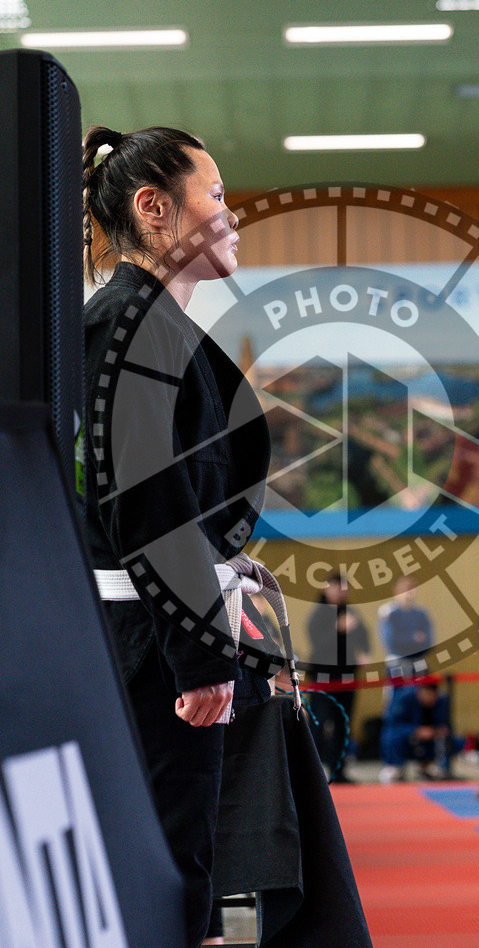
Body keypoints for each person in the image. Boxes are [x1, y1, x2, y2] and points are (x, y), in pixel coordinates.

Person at [82, 126, 282, 948]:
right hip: (151, 644)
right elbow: (148, 500)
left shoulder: (152, 324)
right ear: (155, 209)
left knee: (187, 855)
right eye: (218, 195)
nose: (231, 216)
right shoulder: (132, 326)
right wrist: (200, 652)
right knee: (171, 861)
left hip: (158, 628)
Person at [307, 573, 371, 782]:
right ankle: (314, 771)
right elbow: (317, 644)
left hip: (347, 676)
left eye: (343, 588)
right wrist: (337, 630)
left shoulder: (351, 612)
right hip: (324, 677)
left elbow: (363, 637)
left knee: (343, 722)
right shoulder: (319, 614)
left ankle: (339, 769)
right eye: (335, 587)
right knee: (321, 722)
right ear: (326, 589)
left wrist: (364, 653)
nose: (339, 592)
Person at [379, 677, 463, 783]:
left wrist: (437, 731)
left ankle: (434, 766)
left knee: (455, 740)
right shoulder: (405, 698)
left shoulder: (441, 701)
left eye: (432, 695)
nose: (429, 698)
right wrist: (416, 730)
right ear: (420, 691)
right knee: (391, 735)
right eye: (426, 694)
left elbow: (445, 725)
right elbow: (393, 724)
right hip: (408, 737)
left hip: (430, 740)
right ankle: (394, 767)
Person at [377, 576, 433, 672]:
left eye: (412, 588)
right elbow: (391, 642)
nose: (409, 592)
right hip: (397, 663)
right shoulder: (388, 613)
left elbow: (428, 641)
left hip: (418, 662)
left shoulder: (421, 613)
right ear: (396, 590)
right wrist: (413, 637)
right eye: (406, 588)